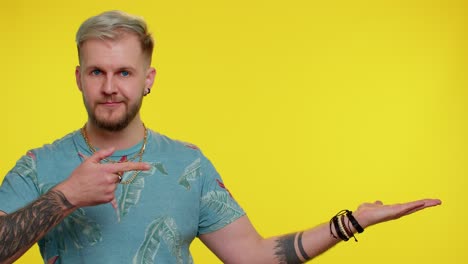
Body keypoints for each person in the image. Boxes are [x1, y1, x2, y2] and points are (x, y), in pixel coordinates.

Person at [0, 10, 441, 264]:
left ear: (148, 79)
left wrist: (351, 222)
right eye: (97, 72)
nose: (110, 86)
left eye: (124, 73)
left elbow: (253, 256)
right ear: (78, 78)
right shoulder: (41, 166)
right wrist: (65, 197)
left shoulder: (188, 164)